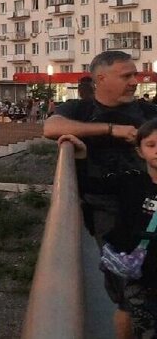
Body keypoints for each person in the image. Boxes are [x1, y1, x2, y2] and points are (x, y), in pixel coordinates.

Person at [45, 50, 157, 338]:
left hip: (148, 206)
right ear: (101, 78)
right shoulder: (80, 109)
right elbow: (51, 127)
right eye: (127, 75)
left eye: (135, 74)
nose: (135, 81)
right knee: (128, 295)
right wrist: (110, 130)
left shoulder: (146, 112)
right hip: (107, 212)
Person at [60, 122, 157, 338]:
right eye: (151, 145)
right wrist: (81, 157)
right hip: (133, 270)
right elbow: (89, 186)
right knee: (134, 316)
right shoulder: (130, 181)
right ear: (140, 151)